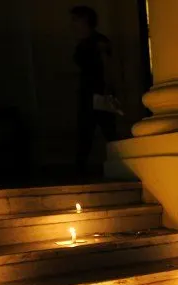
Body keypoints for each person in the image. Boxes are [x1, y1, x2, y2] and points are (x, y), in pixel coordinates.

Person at [71, 6, 118, 176]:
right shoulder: (85, 42)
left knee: (105, 129)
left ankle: (120, 163)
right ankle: (81, 168)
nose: (73, 24)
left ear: (85, 21)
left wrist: (107, 90)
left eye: (76, 20)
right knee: (87, 130)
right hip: (89, 92)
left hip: (100, 92)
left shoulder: (98, 42)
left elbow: (108, 67)